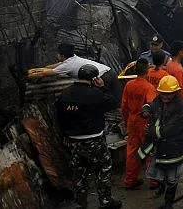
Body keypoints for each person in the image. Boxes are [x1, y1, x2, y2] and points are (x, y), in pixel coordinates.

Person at [55, 64, 121, 209]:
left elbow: (59, 117)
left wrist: (65, 134)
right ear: (95, 79)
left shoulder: (65, 95)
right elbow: (113, 103)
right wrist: (103, 87)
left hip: (74, 142)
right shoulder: (95, 94)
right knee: (103, 169)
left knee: (79, 174)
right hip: (94, 140)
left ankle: (80, 203)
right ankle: (105, 201)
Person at [138, 75, 183, 209]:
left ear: (175, 93)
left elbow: (168, 130)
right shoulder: (161, 99)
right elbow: (152, 104)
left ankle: (169, 204)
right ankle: (161, 187)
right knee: (159, 174)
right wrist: (146, 110)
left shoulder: (181, 108)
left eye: (168, 94)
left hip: (174, 149)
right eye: (163, 94)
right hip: (161, 148)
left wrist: (150, 131)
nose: (165, 97)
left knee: (172, 179)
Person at [31, 43, 120, 98]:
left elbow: (45, 73)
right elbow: (54, 66)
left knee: (103, 99)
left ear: (62, 56)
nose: (57, 55)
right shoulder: (73, 58)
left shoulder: (67, 65)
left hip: (102, 78)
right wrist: (42, 68)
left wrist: (29, 74)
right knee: (113, 98)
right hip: (109, 72)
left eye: (58, 54)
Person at [121, 58, 157, 191]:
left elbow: (124, 106)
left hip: (132, 120)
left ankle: (130, 180)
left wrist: (126, 121)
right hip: (144, 123)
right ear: (147, 70)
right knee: (149, 151)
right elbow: (151, 108)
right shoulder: (149, 87)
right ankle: (153, 181)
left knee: (132, 152)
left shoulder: (129, 85)